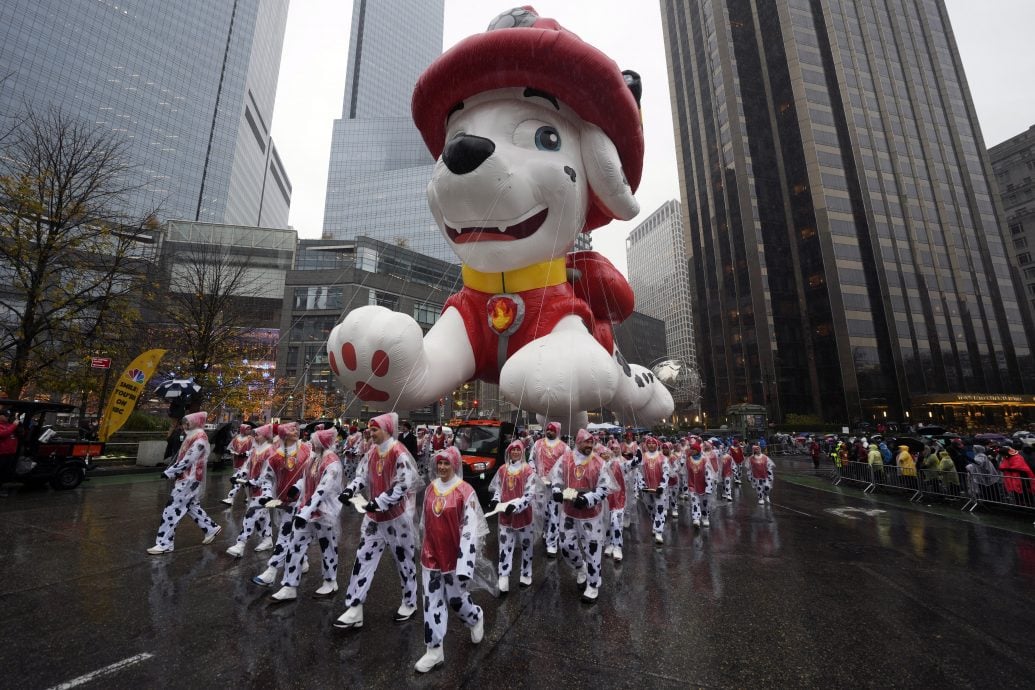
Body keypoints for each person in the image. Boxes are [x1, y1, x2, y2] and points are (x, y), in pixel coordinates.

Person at [334, 412, 421, 630]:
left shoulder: (399, 453)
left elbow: (403, 485)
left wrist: (379, 501)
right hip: (373, 519)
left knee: (404, 562)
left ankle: (410, 602)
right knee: (363, 558)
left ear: (387, 430)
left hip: (396, 519)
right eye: (370, 429)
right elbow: (362, 476)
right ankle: (355, 606)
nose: (370, 433)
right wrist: (349, 491)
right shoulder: (372, 452)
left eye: (375, 429)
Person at [414, 446, 488, 673]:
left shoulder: (465, 491)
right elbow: (425, 522)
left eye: (447, 463)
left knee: (457, 600)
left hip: (454, 560)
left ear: (455, 465)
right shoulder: (430, 489)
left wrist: (465, 563)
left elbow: (471, 528)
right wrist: (423, 545)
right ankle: (434, 650)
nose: (443, 467)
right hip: (431, 557)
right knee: (431, 602)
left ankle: (475, 617)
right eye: (440, 463)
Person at [271, 428, 344, 601]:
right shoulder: (314, 457)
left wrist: (305, 512)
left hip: (324, 513)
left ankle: (330, 581)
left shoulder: (332, 461)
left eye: (315, 440)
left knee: (328, 547)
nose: (312, 443)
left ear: (322, 442)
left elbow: (323, 490)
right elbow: (306, 477)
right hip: (306, 511)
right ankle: (289, 585)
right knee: (295, 546)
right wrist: (297, 487)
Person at [549, 428, 614, 603]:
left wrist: (587, 499)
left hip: (591, 515)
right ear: (578, 442)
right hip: (569, 513)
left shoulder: (599, 462)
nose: (589, 445)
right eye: (586, 442)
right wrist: (556, 490)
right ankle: (580, 567)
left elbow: (604, 488)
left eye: (591, 442)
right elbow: (556, 477)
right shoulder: (565, 459)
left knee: (592, 550)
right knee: (566, 545)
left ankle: (593, 585)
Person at [148, 412, 221, 554]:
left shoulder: (199, 437)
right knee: (191, 506)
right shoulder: (194, 435)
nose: (184, 425)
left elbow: (189, 459)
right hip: (188, 478)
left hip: (189, 479)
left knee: (172, 509)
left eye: (187, 422)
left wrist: (170, 472)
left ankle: (164, 543)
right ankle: (211, 528)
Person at [251, 422, 313, 587]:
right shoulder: (275, 457)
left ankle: (271, 571)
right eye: (292, 430)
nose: (296, 432)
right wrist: (266, 495)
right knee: (295, 535)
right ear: (284, 434)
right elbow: (267, 478)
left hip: (302, 502)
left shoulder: (307, 450)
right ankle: (303, 562)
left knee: (285, 535)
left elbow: (312, 473)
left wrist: (299, 488)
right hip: (282, 502)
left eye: (296, 430)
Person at [488, 440, 536, 592]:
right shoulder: (503, 469)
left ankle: (526, 572)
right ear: (508, 451)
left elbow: (529, 494)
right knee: (505, 546)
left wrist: (516, 506)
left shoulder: (528, 470)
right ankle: (503, 576)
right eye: (512, 450)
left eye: (518, 450)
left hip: (524, 516)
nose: (515, 452)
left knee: (526, 545)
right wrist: (496, 500)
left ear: (522, 452)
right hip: (505, 516)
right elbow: (498, 488)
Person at [225, 424, 276, 557]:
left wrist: (253, 482)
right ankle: (268, 539)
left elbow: (268, 474)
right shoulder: (255, 449)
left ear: (265, 436)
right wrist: (237, 476)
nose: (254, 436)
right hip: (253, 489)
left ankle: (240, 544)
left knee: (251, 514)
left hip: (265, 491)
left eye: (257, 434)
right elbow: (247, 466)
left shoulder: (270, 451)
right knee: (262, 516)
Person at [530, 421, 568, 557]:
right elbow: (531, 460)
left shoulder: (564, 447)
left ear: (557, 431)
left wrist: (558, 480)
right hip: (540, 485)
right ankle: (547, 532)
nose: (549, 432)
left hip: (556, 486)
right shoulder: (538, 444)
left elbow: (567, 465)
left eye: (552, 430)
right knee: (542, 512)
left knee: (554, 514)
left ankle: (552, 544)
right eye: (548, 429)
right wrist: (535, 475)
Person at [636, 435, 669, 544]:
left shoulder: (662, 457)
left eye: (653, 443)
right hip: (647, 489)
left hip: (659, 489)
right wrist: (642, 485)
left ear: (656, 445)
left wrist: (661, 486)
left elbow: (666, 472)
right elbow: (639, 472)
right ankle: (656, 524)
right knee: (650, 509)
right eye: (649, 443)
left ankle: (659, 532)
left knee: (660, 509)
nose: (651, 445)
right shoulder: (643, 457)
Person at [221, 424, 254, 506]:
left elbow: (254, 449)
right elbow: (231, 447)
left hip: (246, 463)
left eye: (249, 429)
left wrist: (245, 453)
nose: (249, 431)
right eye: (247, 429)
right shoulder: (236, 438)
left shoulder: (251, 439)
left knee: (238, 480)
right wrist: (229, 451)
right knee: (244, 482)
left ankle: (230, 498)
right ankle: (250, 497)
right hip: (236, 461)